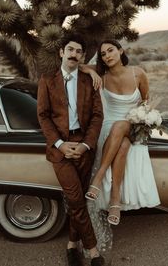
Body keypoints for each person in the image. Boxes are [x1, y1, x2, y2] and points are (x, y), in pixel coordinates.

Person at [37, 33, 105, 266]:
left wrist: (86, 145)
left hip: (85, 146)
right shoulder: (47, 79)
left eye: (78, 51)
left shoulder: (90, 80)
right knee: (75, 197)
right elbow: (43, 116)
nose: (74, 54)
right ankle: (94, 252)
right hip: (60, 149)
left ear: (82, 56)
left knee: (79, 200)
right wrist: (60, 144)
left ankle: (71, 246)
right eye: (70, 49)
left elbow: (97, 116)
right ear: (61, 52)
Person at [83, 39, 160, 226]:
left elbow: (145, 101)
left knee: (121, 126)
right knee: (123, 143)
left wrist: (144, 117)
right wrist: (92, 71)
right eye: (103, 54)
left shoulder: (138, 74)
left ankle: (99, 176)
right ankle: (115, 200)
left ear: (120, 51)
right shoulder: (103, 75)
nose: (107, 55)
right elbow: (78, 66)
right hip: (109, 127)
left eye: (111, 50)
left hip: (132, 124)